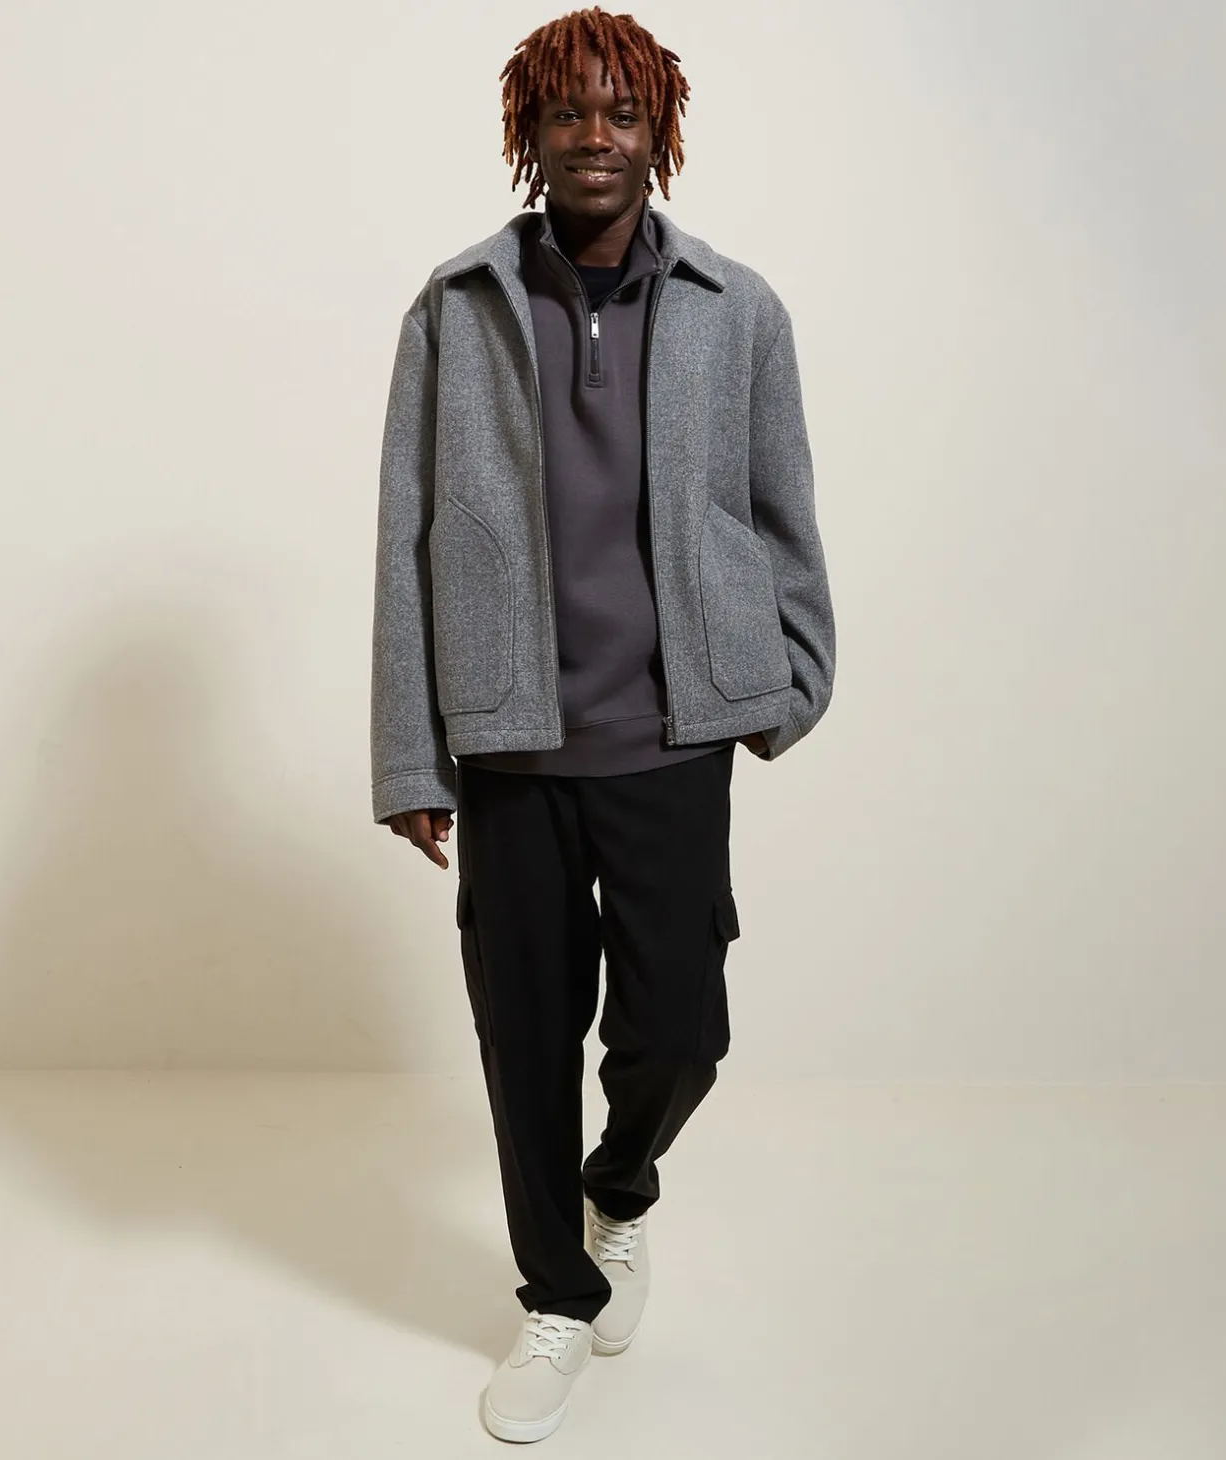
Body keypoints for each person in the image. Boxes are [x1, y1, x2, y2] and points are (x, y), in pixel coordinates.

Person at [369, 5, 835, 1441]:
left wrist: (791, 675)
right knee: (525, 1037)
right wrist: (410, 751)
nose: (593, 135)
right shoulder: (453, 309)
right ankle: (556, 1298)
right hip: (510, 741)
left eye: (620, 112)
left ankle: (617, 1190)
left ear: (658, 132)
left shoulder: (736, 309)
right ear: (529, 129)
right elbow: (405, 539)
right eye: (566, 111)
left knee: (681, 1027)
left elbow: (781, 509)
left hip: (672, 733)